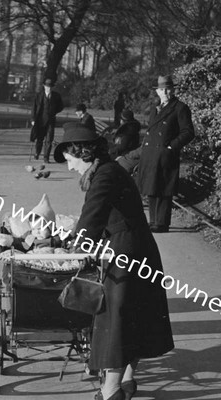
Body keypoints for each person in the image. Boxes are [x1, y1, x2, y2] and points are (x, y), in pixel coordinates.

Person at [54, 122, 174, 400]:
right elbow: (96, 216)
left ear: (83, 153)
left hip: (126, 253)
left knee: (117, 321)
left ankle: (110, 392)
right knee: (134, 317)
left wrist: (73, 247)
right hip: (137, 248)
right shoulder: (109, 170)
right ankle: (127, 381)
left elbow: (92, 214)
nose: (70, 168)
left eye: (71, 161)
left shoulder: (105, 175)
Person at [134, 75, 195, 233]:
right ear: (158, 91)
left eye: (168, 89)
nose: (165, 92)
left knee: (163, 189)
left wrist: (171, 146)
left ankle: (161, 223)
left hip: (165, 153)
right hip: (150, 154)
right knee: (151, 188)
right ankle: (153, 221)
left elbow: (188, 132)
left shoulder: (180, 107)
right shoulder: (155, 108)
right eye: (162, 89)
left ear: (173, 90)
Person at [31, 77, 64, 163]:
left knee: (49, 139)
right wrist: (33, 119)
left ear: (52, 87)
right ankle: (37, 153)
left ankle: (46, 158)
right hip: (40, 121)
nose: (48, 88)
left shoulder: (56, 96)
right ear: (44, 86)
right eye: (47, 86)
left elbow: (61, 106)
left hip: (51, 121)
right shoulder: (38, 95)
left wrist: (54, 111)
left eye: (50, 87)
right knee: (40, 139)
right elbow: (34, 108)